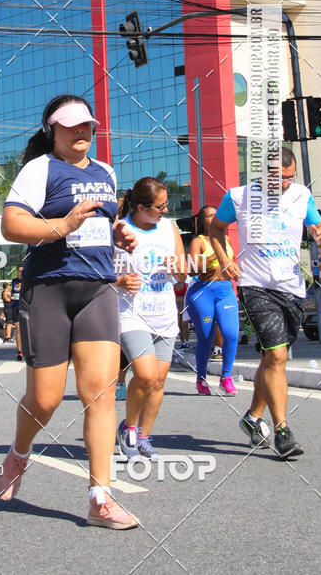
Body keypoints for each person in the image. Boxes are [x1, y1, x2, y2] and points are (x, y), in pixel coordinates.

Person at [0, 94, 140, 529]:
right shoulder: (39, 169)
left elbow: (104, 221)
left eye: (87, 125)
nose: (82, 131)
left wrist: (119, 233)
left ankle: (100, 498)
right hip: (48, 291)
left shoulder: (106, 172)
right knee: (45, 399)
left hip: (98, 290)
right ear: (52, 130)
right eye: (71, 125)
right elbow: (12, 225)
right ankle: (18, 454)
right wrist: (64, 225)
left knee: (101, 393)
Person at [210, 147, 321, 458]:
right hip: (255, 285)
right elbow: (216, 229)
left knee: (272, 360)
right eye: (280, 179)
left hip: (291, 288)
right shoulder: (238, 196)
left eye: (290, 178)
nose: (286, 184)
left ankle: (252, 418)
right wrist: (224, 260)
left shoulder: (302, 196)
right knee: (277, 355)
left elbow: (318, 226)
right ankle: (283, 431)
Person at [115, 178, 187, 460]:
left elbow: (182, 274)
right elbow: (99, 272)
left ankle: (144, 436)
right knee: (145, 375)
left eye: (166, 205)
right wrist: (121, 281)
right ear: (141, 207)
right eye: (159, 207)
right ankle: (129, 428)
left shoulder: (169, 228)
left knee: (158, 381)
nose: (165, 211)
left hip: (164, 315)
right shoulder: (120, 229)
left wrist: (177, 267)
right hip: (131, 314)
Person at [185, 205, 239, 396]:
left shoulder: (227, 239)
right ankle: (201, 378)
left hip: (225, 291)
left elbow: (232, 263)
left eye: (216, 214)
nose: (214, 217)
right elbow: (191, 269)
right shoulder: (198, 241)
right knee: (206, 337)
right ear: (202, 221)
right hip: (203, 293)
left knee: (231, 334)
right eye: (209, 215)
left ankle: (226, 377)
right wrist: (216, 253)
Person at [11, 265, 23, 361]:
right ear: (17, 272)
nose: (21, 273)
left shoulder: (28, 281)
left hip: (26, 308)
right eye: (20, 271)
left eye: (23, 271)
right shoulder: (14, 282)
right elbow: (11, 294)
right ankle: (19, 352)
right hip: (16, 307)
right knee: (18, 329)